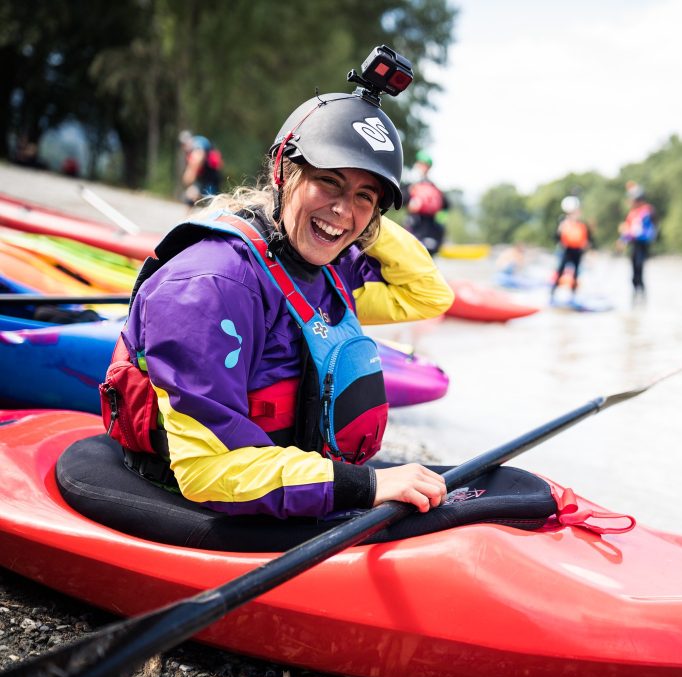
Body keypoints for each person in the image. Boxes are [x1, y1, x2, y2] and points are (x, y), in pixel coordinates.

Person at [100, 78, 454, 520]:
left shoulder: (328, 270)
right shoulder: (211, 286)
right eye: (329, 182)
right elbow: (208, 470)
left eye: (365, 196)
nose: (344, 209)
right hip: (199, 491)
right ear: (282, 172)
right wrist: (367, 485)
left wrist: (365, 223)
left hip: (290, 473)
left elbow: (426, 294)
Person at [618, 182, 657, 304]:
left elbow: (650, 231)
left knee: (640, 270)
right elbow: (627, 230)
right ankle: (635, 297)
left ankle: (643, 297)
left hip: (642, 245)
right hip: (634, 245)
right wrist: (622, 240)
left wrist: (633, 234)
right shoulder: (632, 214)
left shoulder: (647, 211)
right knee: (634, 272)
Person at [402, 150, 447, 255]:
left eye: (424, 165)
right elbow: (400, 200)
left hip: (428, 230)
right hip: (415, 227)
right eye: (420, 164)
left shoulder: (434, 188)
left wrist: (440, 220)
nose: (422, 167)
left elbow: (445, 206)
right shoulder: (412, 186)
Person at [550, 195, 592, 303]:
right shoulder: (563, 223)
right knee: (559, 271)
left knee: (576, 273)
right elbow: (557, 238)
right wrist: (560, 230)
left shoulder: (582, 225)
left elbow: (587, 240)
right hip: (566, 250)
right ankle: (552, 293)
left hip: (578, 252)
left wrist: (587, 247)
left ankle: (573, 296)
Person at [179, 130, 223, 206]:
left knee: (210, 201)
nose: (184, 146)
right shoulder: (190, 150)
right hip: (201, 176)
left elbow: (198, 157)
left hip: (211, 177)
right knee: (190, 197)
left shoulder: (198, 142)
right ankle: (188, 217)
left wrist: (190, 173)